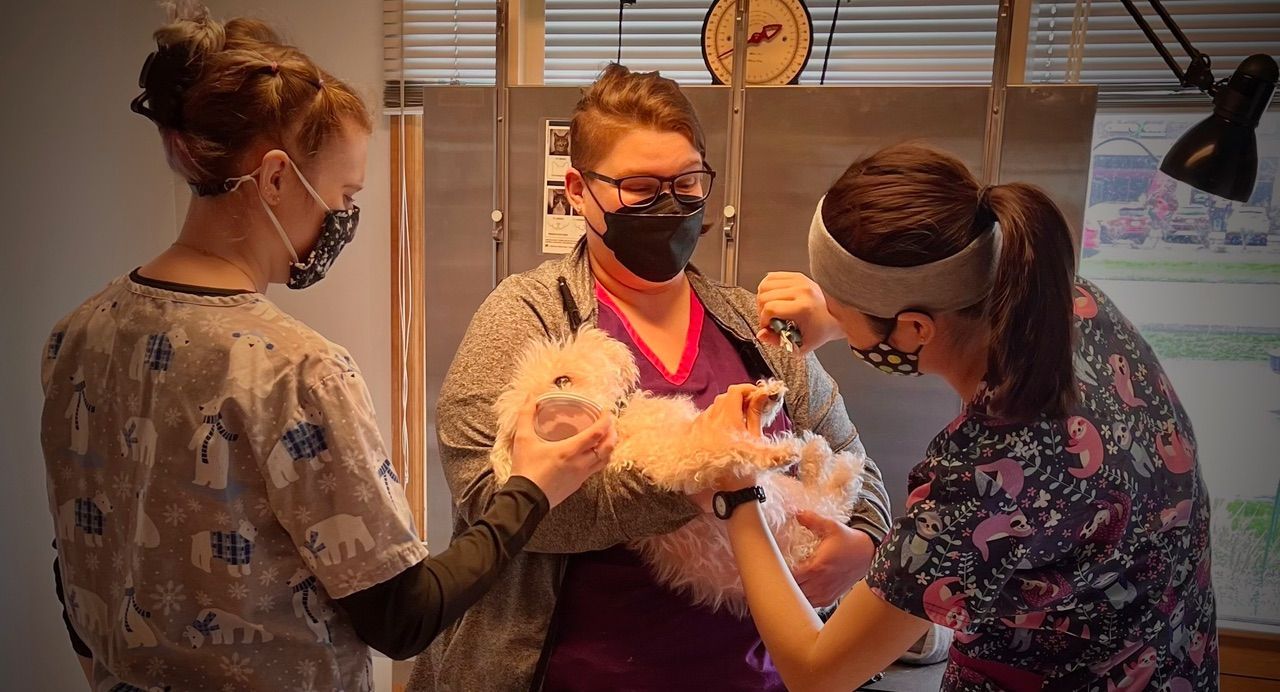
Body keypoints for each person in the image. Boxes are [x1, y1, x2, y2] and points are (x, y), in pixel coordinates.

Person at [41, 6, 613, 690]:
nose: (343, 220)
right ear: (277, 179)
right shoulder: (294, 372)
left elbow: (74, 560)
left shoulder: (78, 331)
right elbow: (403, 616)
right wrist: (533, 489)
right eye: (343, 195)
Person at [410, 64, 891, 691]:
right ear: (579, 190)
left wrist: (864, 543)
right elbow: (490, 505)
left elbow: (853, 458)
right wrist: (697, 469)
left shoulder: (752, 326)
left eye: (688, 184)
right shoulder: (529, 318)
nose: (669, 206)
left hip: (752, 676)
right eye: (639, 188)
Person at [712, 143, 1218, 691]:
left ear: (913, 330)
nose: (822, 306)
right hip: (1175, 657)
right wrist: (845, 323)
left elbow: (817, 672)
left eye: (834, 300)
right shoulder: (1069, 306)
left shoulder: (984, 471)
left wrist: (737, 493)